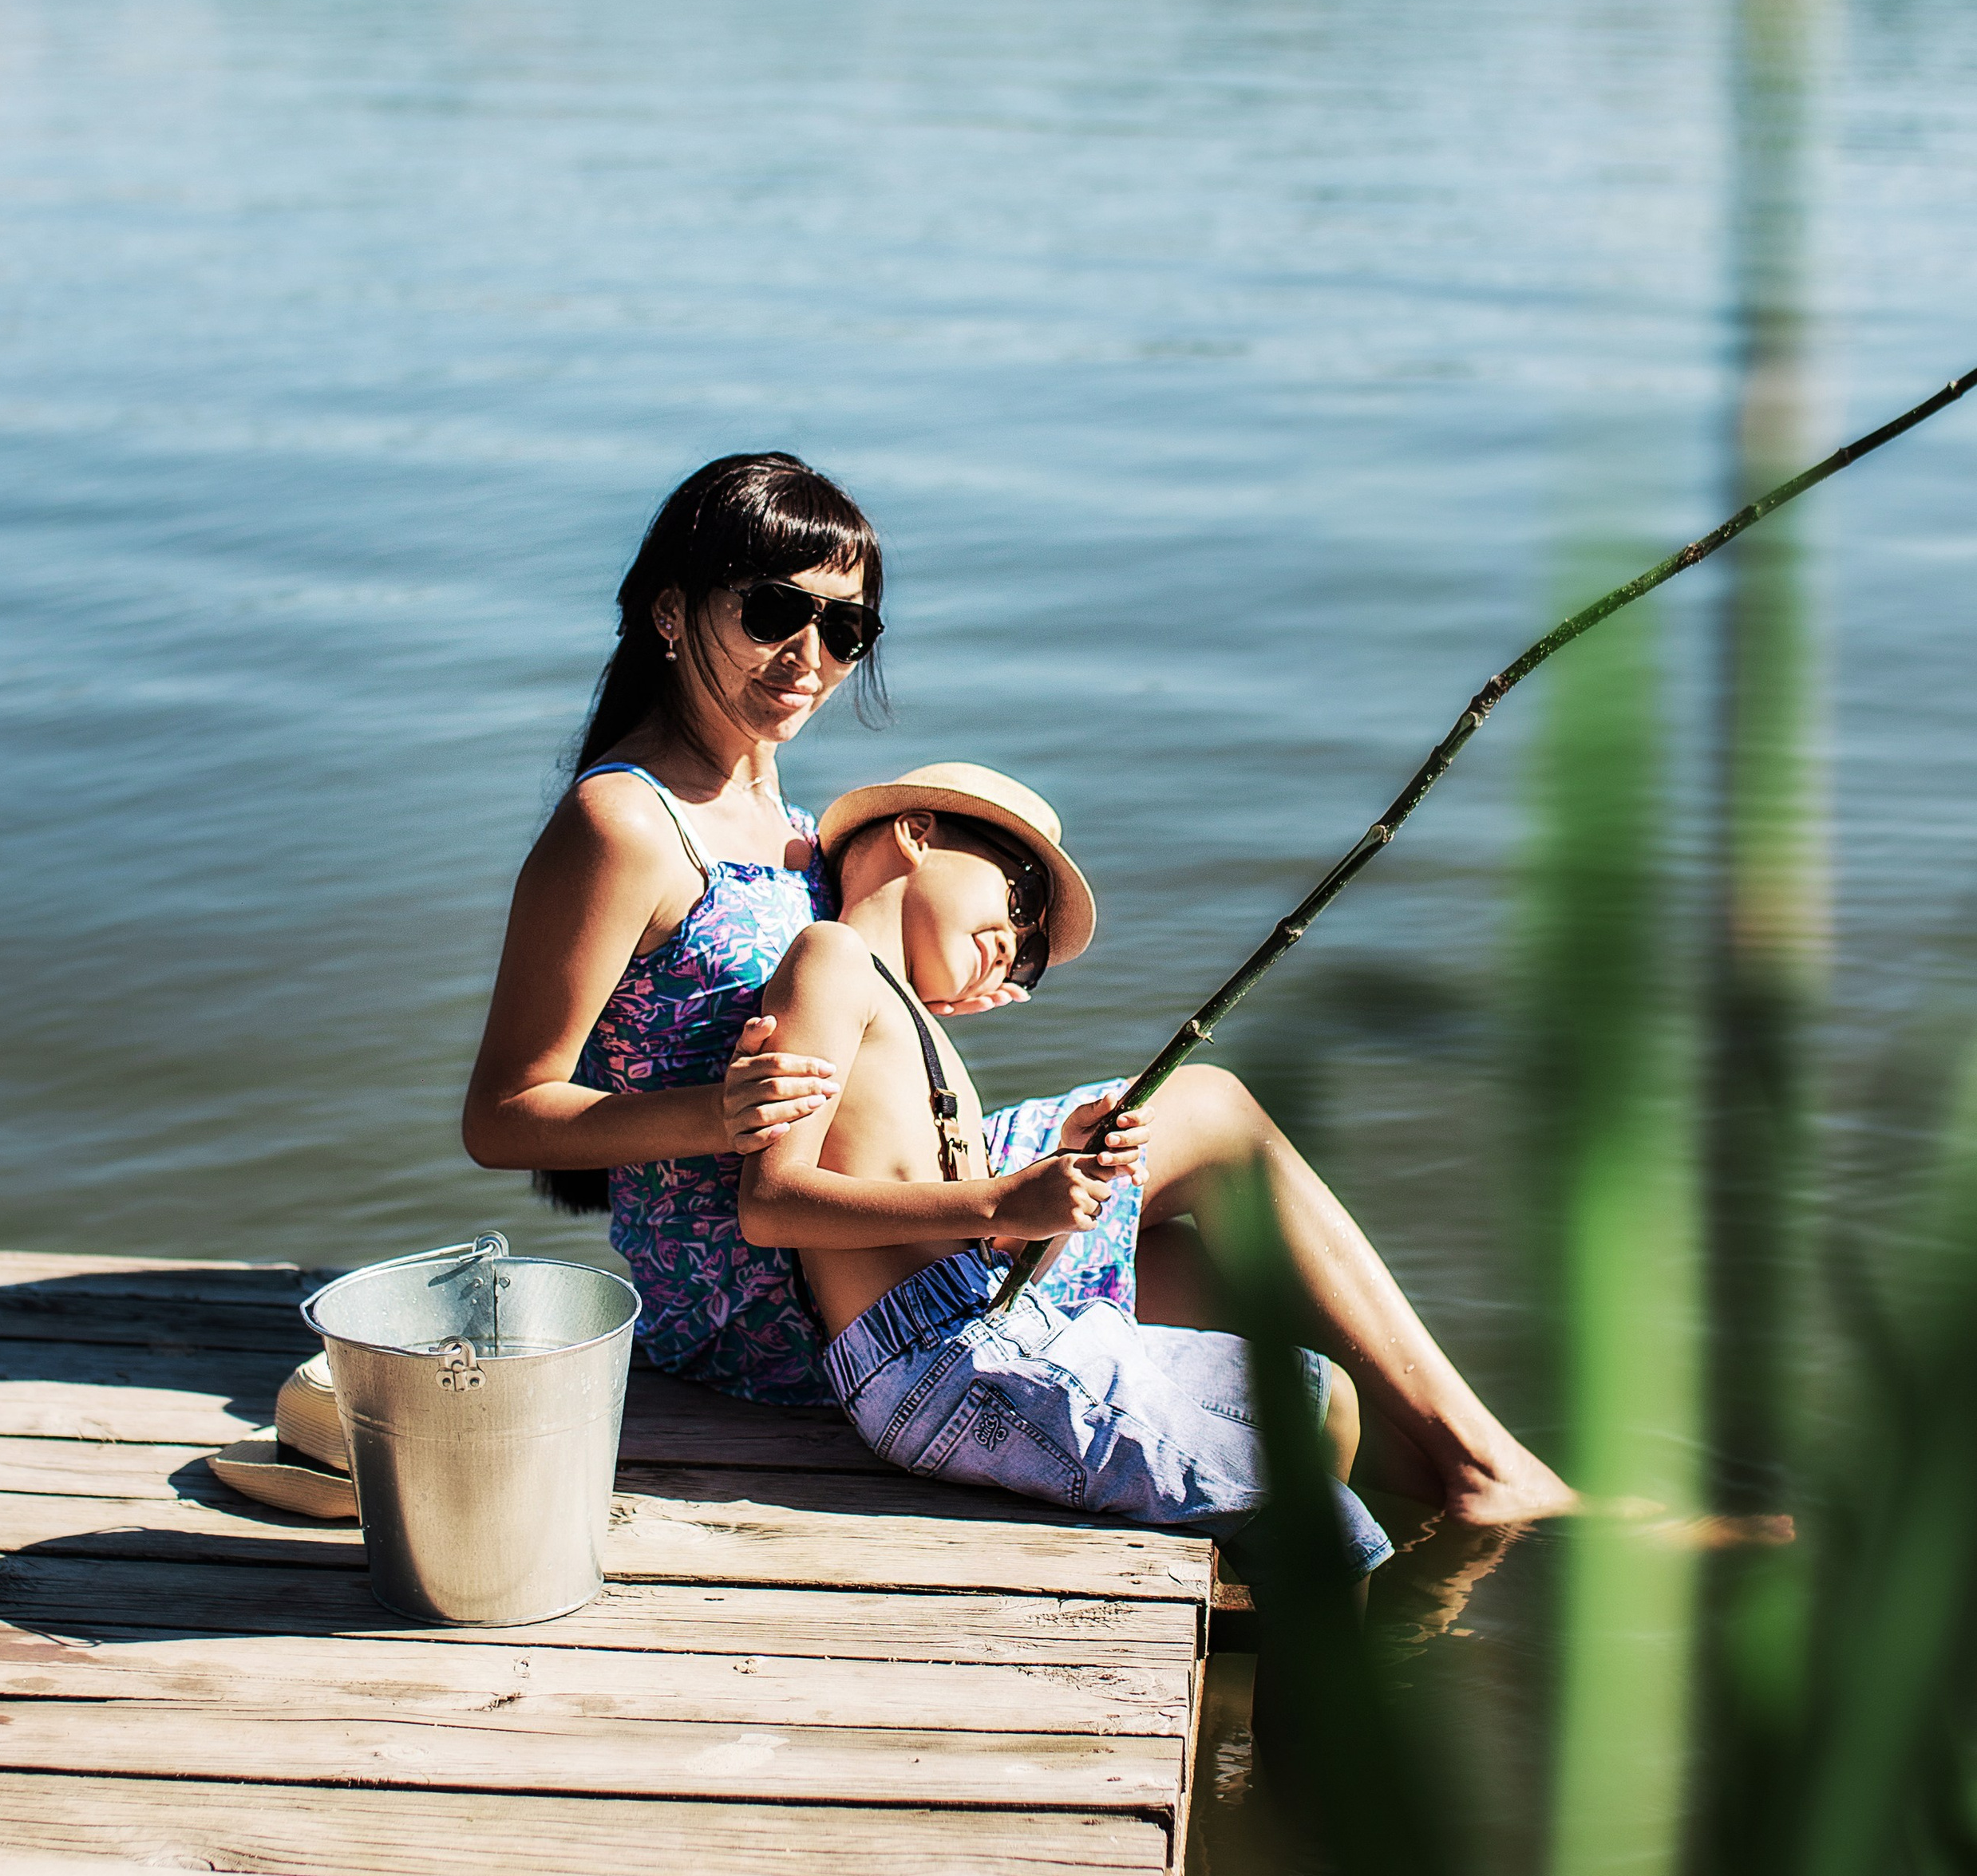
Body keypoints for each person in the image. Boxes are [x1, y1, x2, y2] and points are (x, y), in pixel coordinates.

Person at [463, 451, 1568, 1523]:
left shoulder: (793, 826)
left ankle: (1460, 1497)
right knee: (1214, 1123)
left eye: (845, 629)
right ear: (669, 611)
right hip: (756, 1295)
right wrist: (715, 1114)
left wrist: (918, 1018)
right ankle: (1487, 1485)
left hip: (860, 1232)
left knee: (1201, 1252)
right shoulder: (622, 825)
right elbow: (504, 1115)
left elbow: (814, 1021)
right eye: (771, 613)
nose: (810, 655)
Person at [735, 762, 1390, 1568]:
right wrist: (998, 1204)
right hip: (928, 1365)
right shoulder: (830, 958)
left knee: (1324, 1400)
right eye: (1016, 904)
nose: (1014, 952)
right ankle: (1330, 1672)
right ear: (915, 833)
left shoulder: (918, 1034)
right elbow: (768, 1205)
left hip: (995, 1330)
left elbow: (987, 1259)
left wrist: (1069, 1175)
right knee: (1323, 1519)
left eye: (1031, 956)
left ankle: (1266, 1653)